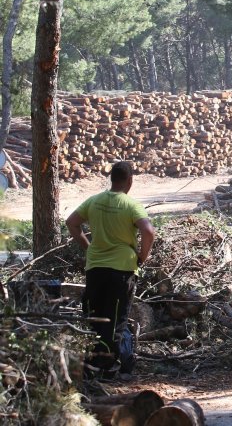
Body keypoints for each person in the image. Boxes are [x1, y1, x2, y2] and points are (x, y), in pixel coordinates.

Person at [65, 161, 155, 378]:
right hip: (122, 270)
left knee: (94, 316)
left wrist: (88, 246)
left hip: (95, 268)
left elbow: (71, 222)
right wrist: (142, 255)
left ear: (111, 179)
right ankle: (108, 368)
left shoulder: (94, 201)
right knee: (115, 319)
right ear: (130, 181)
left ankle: (92, 365)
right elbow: (148, 231)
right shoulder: (131, 205)